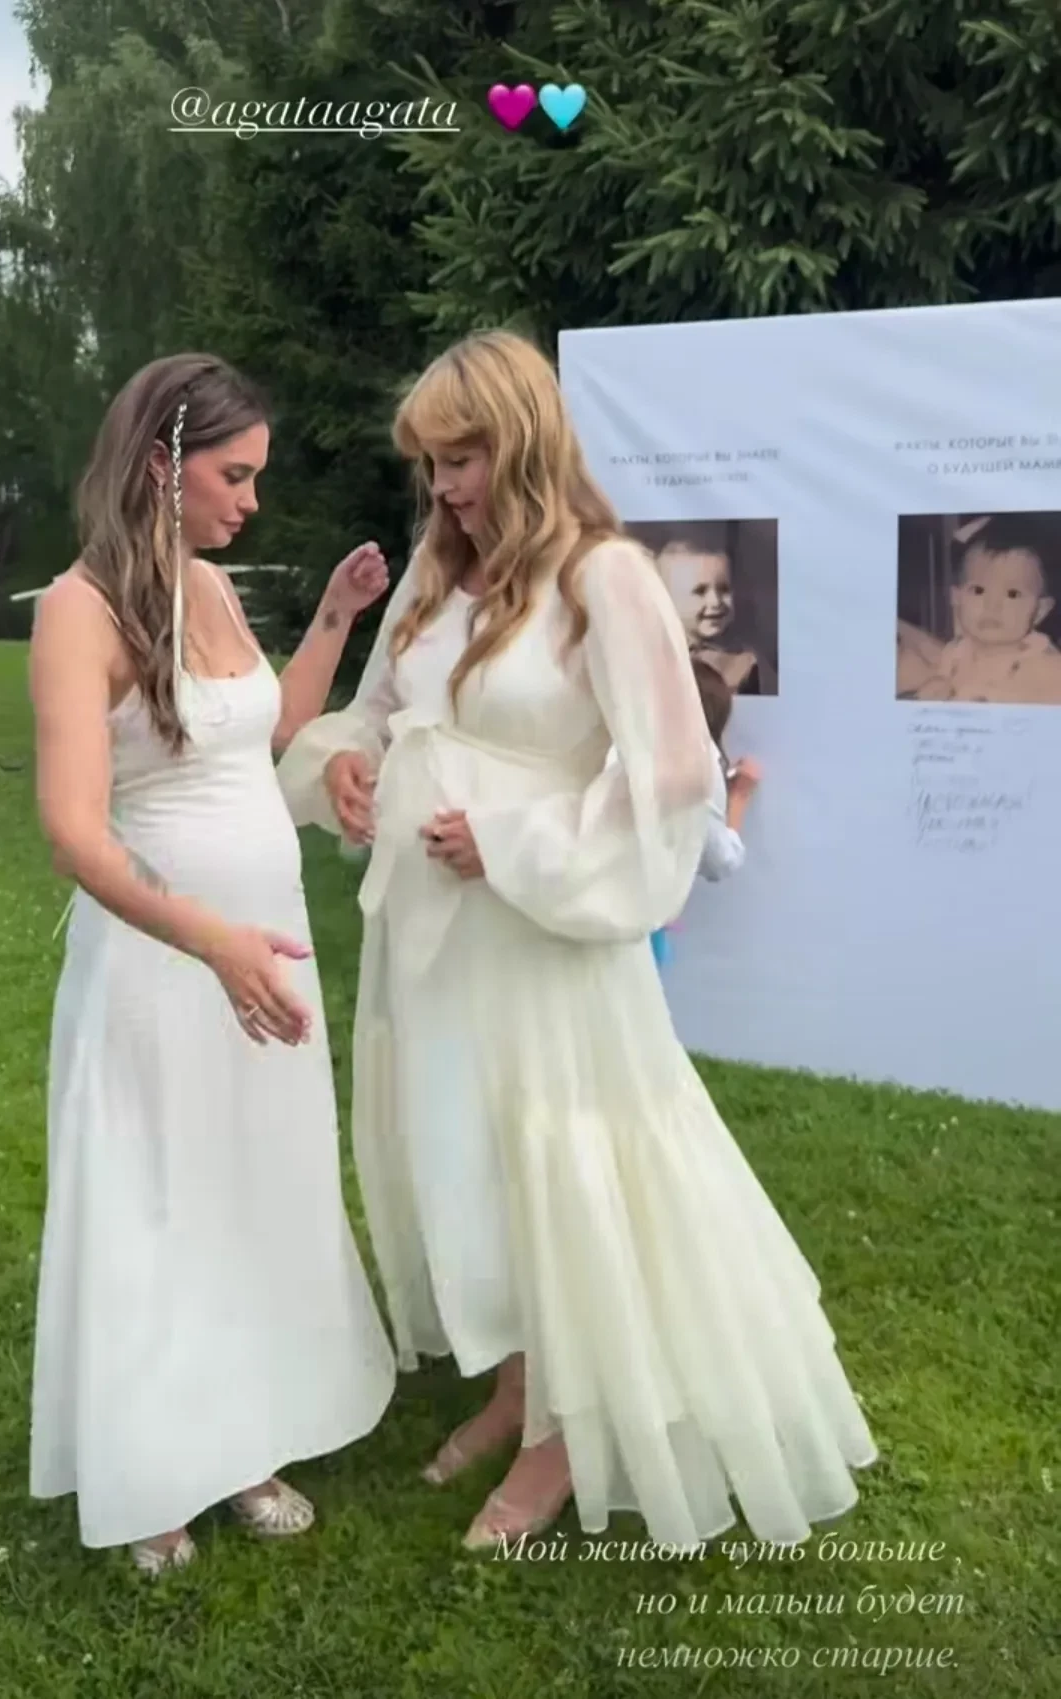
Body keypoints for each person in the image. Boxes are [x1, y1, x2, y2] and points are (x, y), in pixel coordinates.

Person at [277, 330, 877, 1554]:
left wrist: (513, 841)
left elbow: (673, 776)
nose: (443, 486)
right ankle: (520, 1380)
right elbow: (377, 712)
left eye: (462, 458)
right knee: (471, 1153)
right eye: (430, 463)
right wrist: (342, 763)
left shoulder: (605, 578)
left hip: (544, 938)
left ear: (523, 443)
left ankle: (567, 1428)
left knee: (560, 1157)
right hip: (434, 934)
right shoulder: (435, 578)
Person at [27, 352, 398, 1575]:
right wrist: (213, 944)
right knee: (163, 1197)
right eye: (234, 476)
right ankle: (154, 1467)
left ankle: (241, 1436)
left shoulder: (213, 586)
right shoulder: (80, 610)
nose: (251, 499)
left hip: (261, 953)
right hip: (164, 962)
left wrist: (336, 620)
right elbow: (74, 830)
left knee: (250, 1187)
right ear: (160, 463)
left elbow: (267, 730)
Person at [651, 660, 761, 968]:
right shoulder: (697, 765)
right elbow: (719, 860)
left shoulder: (630, 748)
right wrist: (738, 798)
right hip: (636, 930)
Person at [898, 516, 1061, 704]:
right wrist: (937, 688)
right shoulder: (955, 654)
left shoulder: (1048, 667)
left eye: (1012, 594)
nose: (992, 606)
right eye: (978, 590)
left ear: (1040, 610)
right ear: (956, 597)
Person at [656, 535, 776, 695]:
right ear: (667, 599)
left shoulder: (743, 664)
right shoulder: (654, 653)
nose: (716, 601)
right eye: (700, 591)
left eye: (724, 589)